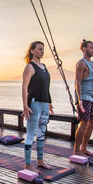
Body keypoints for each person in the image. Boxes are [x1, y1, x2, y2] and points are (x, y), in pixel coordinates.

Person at [22, 41, 54, 171]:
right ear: (32, 51)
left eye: (43, 49)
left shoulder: (44, 67)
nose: (41, 51)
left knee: (41, 133)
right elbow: (24, 87)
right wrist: (25, 106)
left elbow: (46, 87)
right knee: (30, 134)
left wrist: (50, 102)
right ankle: (28, 164)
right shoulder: (30, 67)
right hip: (34, 104)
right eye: (39, 49)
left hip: (45, 104)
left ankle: (40, 160)